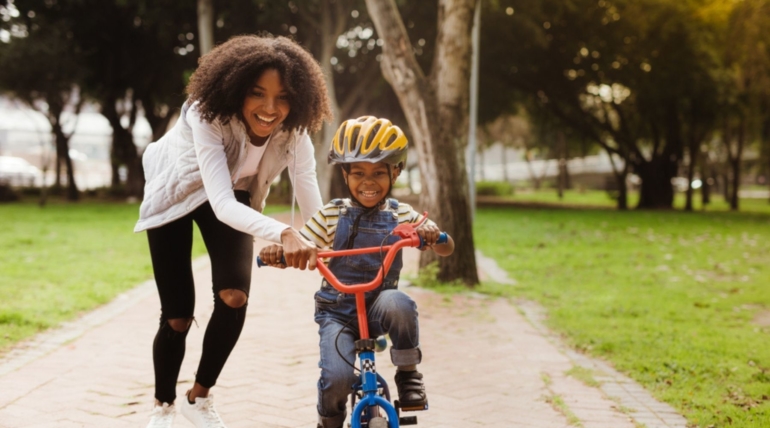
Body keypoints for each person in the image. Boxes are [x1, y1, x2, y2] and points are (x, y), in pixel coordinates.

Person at [134, 34, 332, 428]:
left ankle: (198, 398)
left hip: (232, 193)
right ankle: (163, 406)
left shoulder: (294, 132)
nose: (270, 108)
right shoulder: (205, 114)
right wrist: (285, 233)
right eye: (257, 94)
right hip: (176, 193)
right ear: (237, 88)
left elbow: (310, 195)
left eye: (282, 98)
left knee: (234, 295)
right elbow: (220, 203)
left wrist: (332, 241)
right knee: (177, 316)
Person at [259, 116, 455, 428]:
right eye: (359, 173)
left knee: (400, 303)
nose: (368, 182)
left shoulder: (402, 214)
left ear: (395, 172)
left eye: (378, 173)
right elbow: (304, 244)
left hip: (379, 308)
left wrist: (432, 234)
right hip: (337, 313)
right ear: (345, 174)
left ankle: (408, 375)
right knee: (336, 378)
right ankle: (329, 420)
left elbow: (447, 247)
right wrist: (280, 253)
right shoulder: (331, 214)